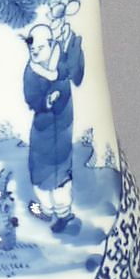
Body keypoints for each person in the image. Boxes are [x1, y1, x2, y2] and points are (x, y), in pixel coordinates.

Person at [23, 18, 84, 233]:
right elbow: (30, 96)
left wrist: (55, 98)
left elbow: (71, 82)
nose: (35, 52)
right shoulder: (31, 70)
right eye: (32, 49)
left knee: (60, 171)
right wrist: (44, 102)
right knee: (38, 168)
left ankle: (63, 212)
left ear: (50, 45)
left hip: (62, 127)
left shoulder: (61, 65)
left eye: (40, 48)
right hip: (41, 128)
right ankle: (46, 209)